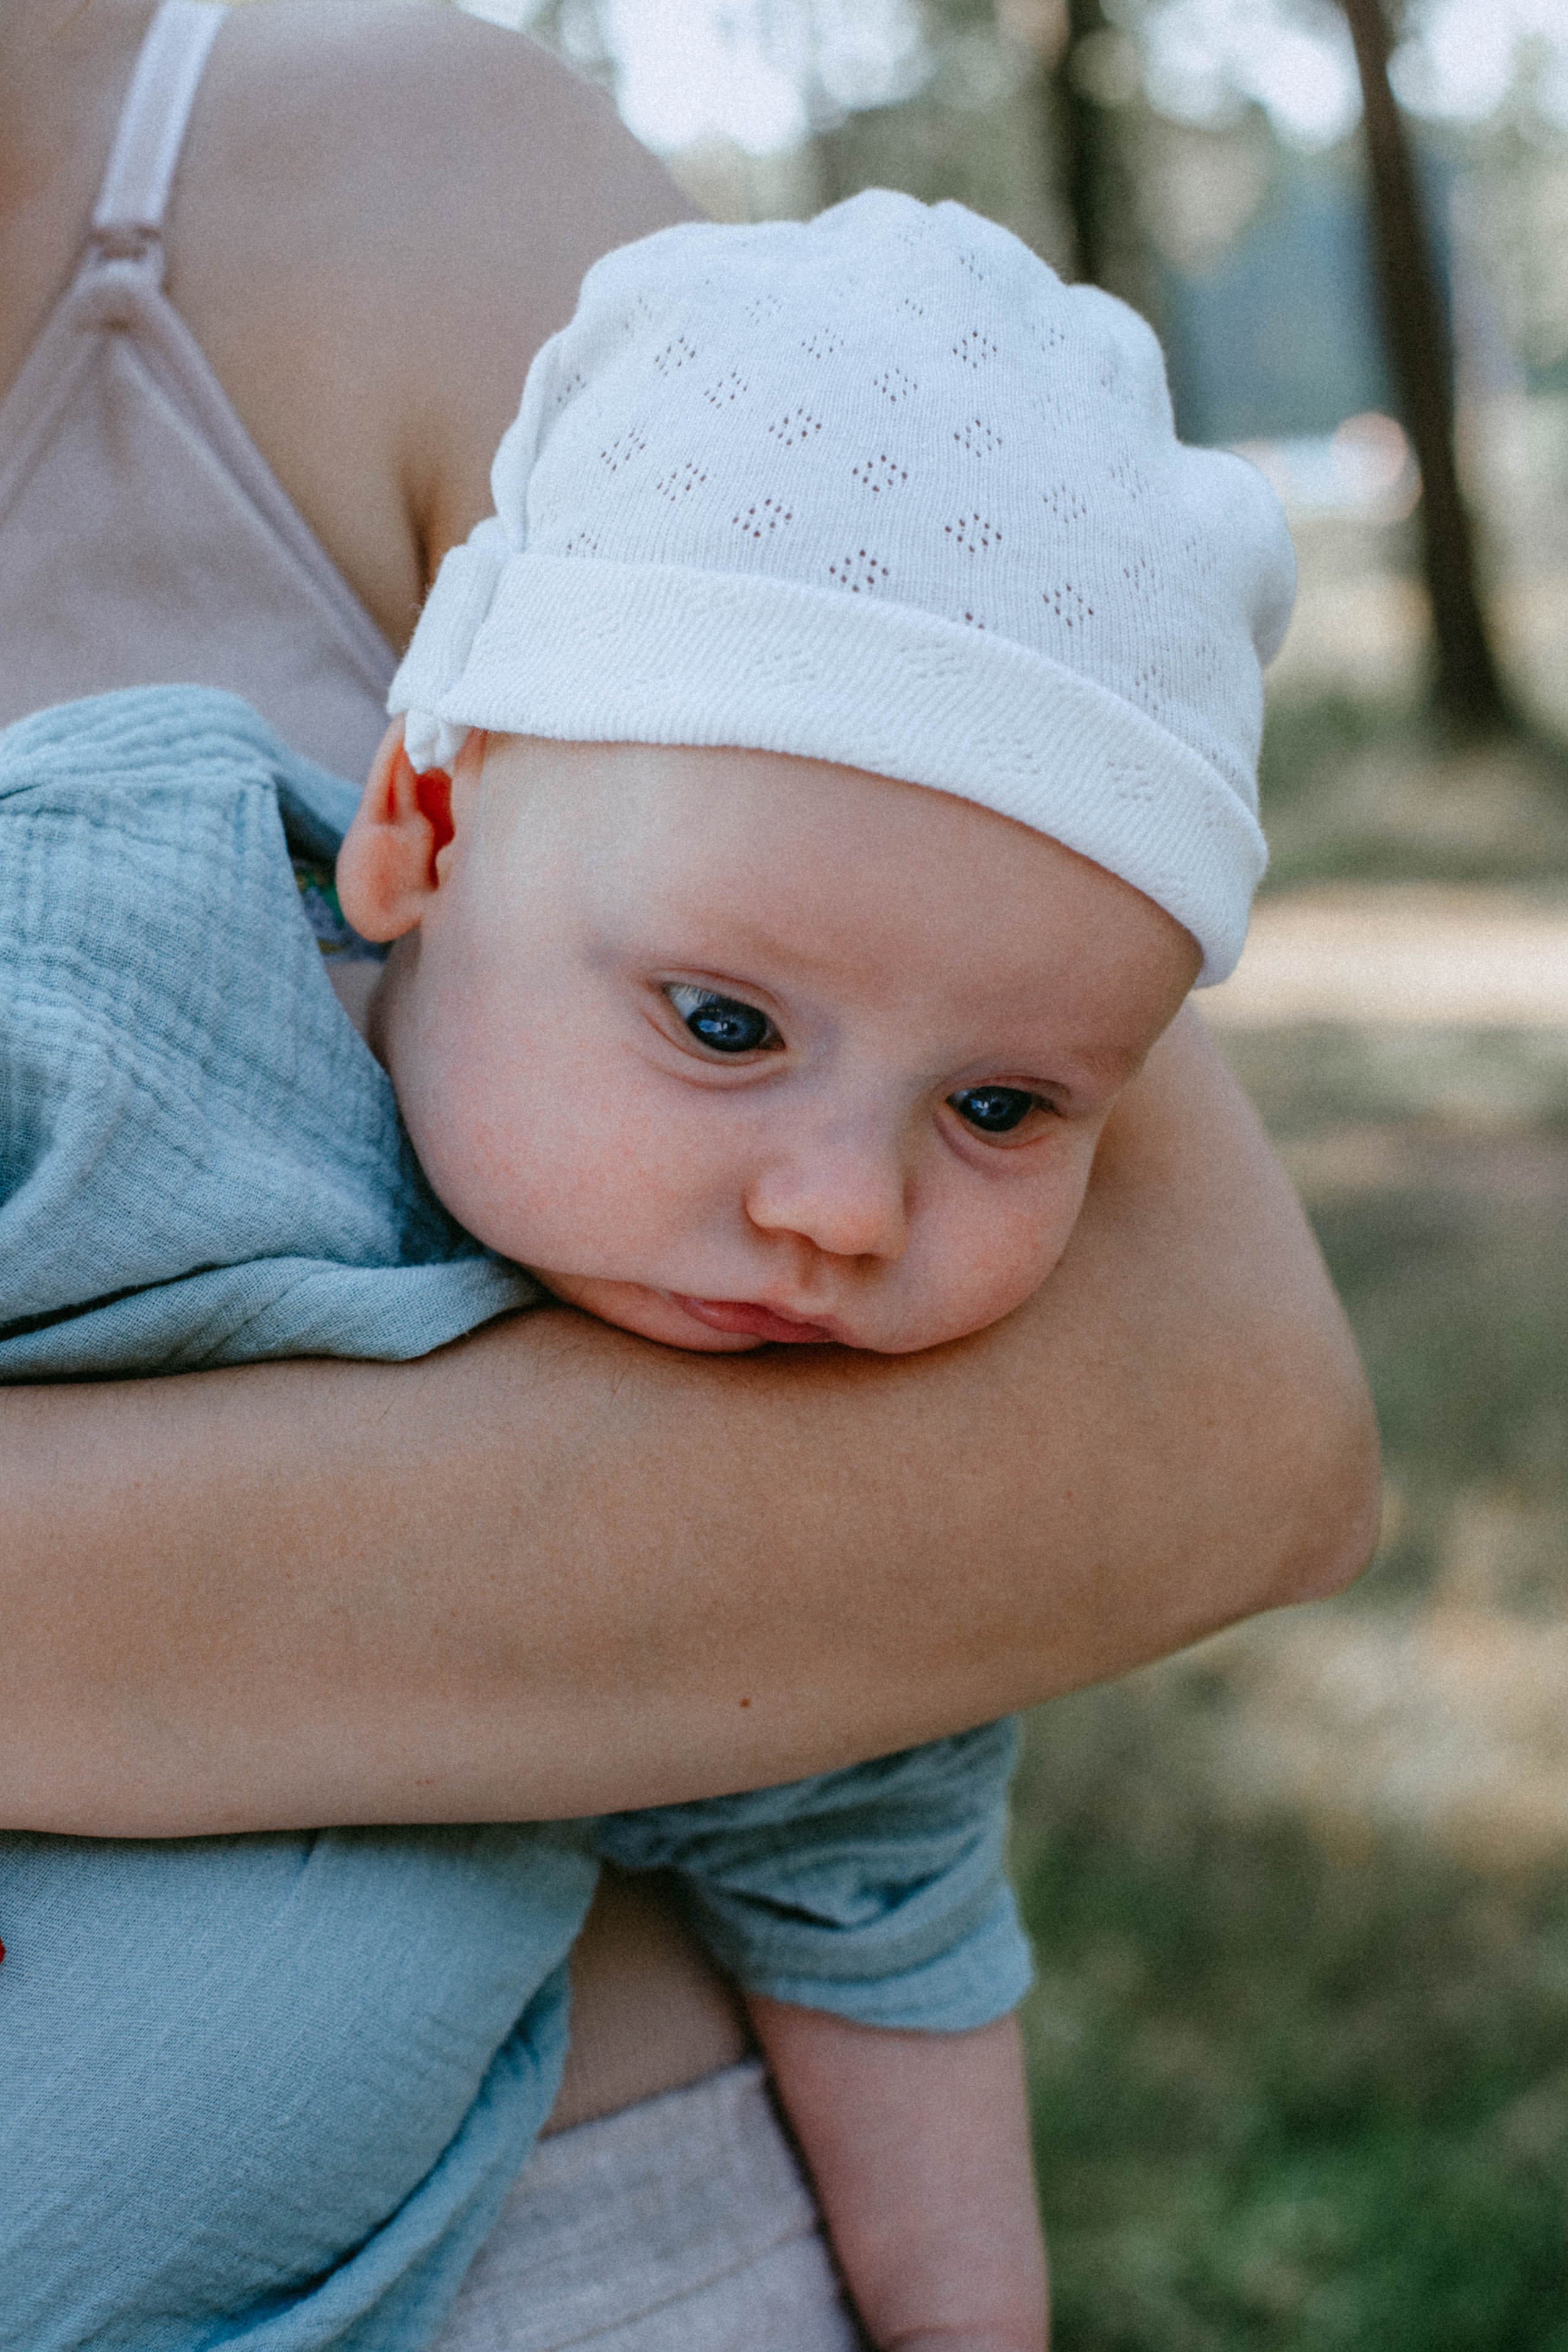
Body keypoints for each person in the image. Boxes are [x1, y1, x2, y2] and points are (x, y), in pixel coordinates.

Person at [0, 2, 1379, 2343]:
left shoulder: (821, 1511)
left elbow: (901, 1975)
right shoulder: (111, 966)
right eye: (726, 1028)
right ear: (423, 825)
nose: (845, 1206)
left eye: (1008, 1110)